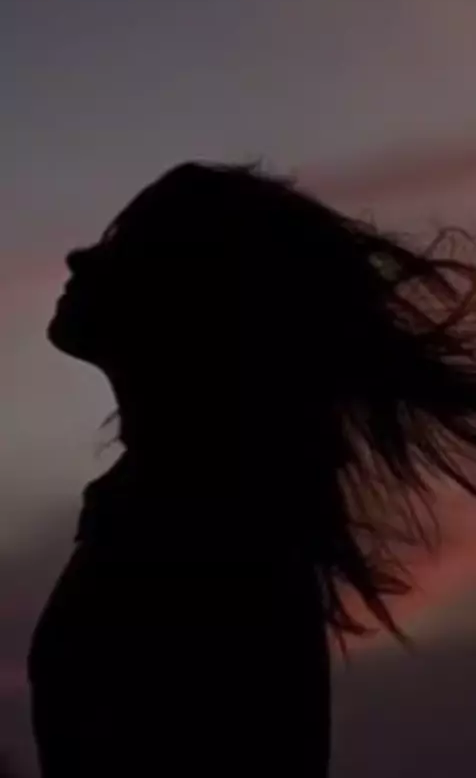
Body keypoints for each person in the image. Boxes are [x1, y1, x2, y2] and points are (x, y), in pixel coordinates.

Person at [27, 160, 476, 777]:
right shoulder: (181, 507)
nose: (79, 257)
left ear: (204, 301)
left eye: (129, 246)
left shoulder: (206, 534)